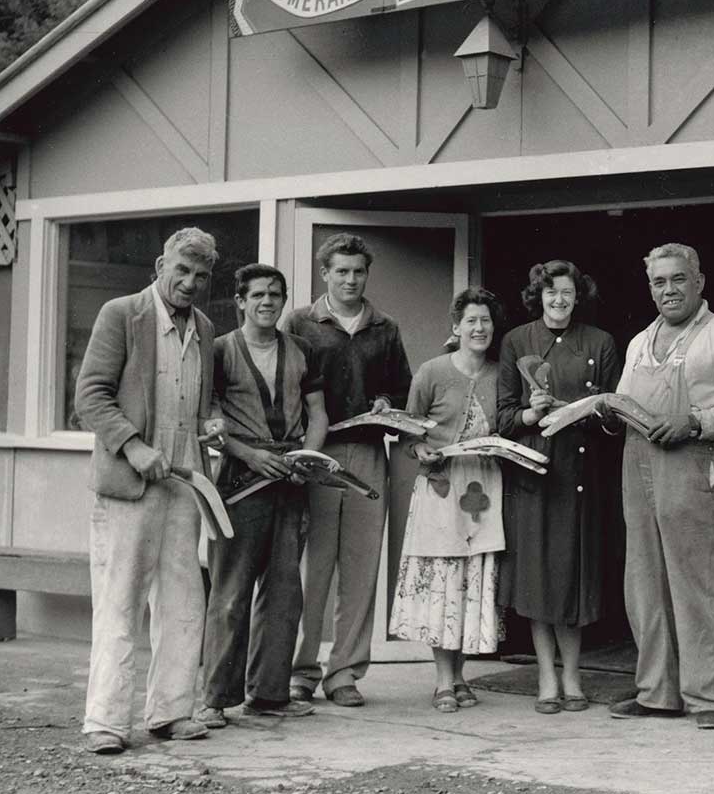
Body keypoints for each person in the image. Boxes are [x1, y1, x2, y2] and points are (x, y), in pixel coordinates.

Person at [75, 227, 226, 754]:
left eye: (200, 276)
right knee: (119, 605)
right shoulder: (121, 314)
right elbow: (90, 396)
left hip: (186, 485)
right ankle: (106, 722)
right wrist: (134, 446)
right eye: (181, 271)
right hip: (128, 489)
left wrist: (209, 422)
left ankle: (171, 712)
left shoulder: (204, 327)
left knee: (184, 603)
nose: (189, 283)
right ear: (161, 266)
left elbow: (198, 399)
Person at [605, 243, 714, 730]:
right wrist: (610, 416)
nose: (668, 290)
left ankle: (707, 700)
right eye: (658, 282)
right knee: (645, 581)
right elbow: (627, 402)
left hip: (694, 465)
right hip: (639, 465)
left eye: (677, 280)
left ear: (699, 282)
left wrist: (694, 423)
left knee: (696, 582)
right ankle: (657, 692)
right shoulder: (638, 342)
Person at [196, 264, 329, 729]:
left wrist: (307, 457)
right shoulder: (220, 351)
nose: (267, 302)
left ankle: (269, 694)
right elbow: (208, 422)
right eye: (257, 295)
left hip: (290, 478)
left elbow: (318, 414)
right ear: (240, 301)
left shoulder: (301, 350)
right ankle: (214, 698)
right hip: (240, 479)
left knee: (284, 591)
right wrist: (247, 454)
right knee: (230, 592)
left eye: (275, 294)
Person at [286, 232, 412, 707]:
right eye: (341, 271)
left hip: (366, 453)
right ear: (325, 274)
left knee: (360, 569)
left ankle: (344, 673)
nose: (350, 279)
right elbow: (285, 387)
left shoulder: (386, 327)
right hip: (317, 453)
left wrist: (388, 403)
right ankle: (301, 668)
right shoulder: (300, 321)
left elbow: (403, 390)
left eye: (358, 271)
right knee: (311, 568)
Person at [496, 260, 619, 714]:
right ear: (538, 296)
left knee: (573, 579)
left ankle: (573, 673)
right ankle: (547, 676)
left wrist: (585, 411)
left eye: (566, 293)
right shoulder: (516, 341)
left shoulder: (600, 342)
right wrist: (532, 413)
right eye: (551, 294)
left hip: (581, 476)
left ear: (577, 295)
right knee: (538, 579)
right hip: (535, 473)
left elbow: (615, 415)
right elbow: (503, 416)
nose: (559, 300)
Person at [389, 288, 506, 713]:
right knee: (443, 581)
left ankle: (460, 676)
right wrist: (420, 449)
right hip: (441, 486)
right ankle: (442, 680)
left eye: (486, 321)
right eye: (471, 321)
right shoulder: (432, 371)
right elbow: (409, 430)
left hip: (483, 487)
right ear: (455, 327)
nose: (479, 328)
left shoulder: (500, 373)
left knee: (471, 581)